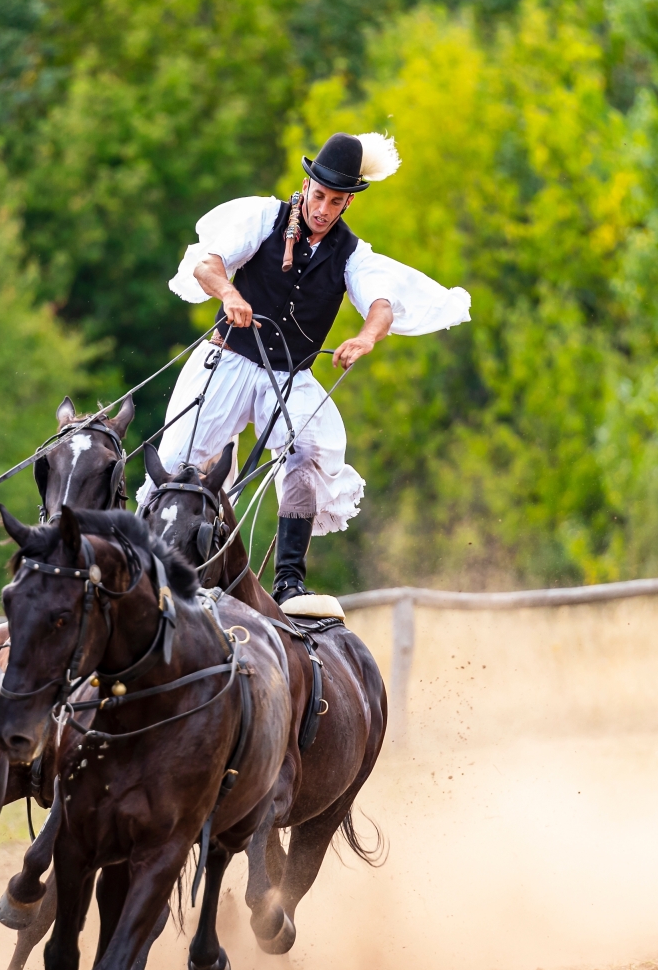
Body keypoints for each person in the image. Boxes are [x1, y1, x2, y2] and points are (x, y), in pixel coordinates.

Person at [142, 131, 470, 610]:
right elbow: (207, 265)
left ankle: (290, 583)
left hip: (289, 375)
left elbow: (382, 303)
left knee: (311, 450)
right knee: (176, 462)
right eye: (319, 196)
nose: (324, 209)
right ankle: (144, 564)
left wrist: (365, 337)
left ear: (347, 205)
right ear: (306, 186)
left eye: (336, 202)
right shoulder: (263, 216)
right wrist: (230, 294)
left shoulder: (352, 253)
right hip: (230, 360)